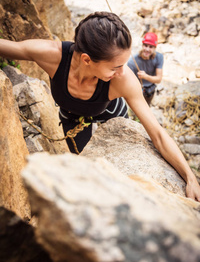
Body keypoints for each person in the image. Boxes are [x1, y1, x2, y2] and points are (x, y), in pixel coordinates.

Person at [0, 11, 199, 201]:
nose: (123, 72)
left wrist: (190, 177)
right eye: (115, 67)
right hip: (72, 119)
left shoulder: (123, 80)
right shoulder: (53, 56)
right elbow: (10, 47)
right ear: (86, 59)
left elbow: (158, 134)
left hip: (111, 118)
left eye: (124, 63)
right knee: (85, 167)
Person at [128, 32, 163, 105]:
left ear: (155, 48)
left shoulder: (159, 57)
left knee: (147, 106)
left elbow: (159, 79)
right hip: (137, 91)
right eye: (145, 45)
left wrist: (145, 76)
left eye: (151, 47)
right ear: (142, 45)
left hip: (150, 90)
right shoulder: (132, 62)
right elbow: (129, 82)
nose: (147, 49)